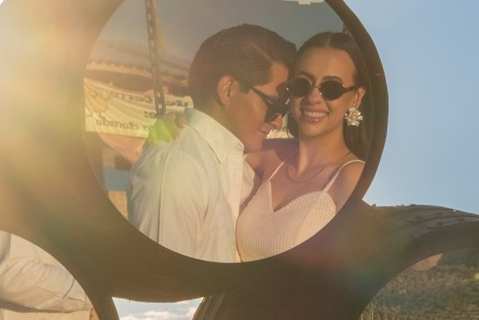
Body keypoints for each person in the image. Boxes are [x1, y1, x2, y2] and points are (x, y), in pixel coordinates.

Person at [126, 24, 294, 262]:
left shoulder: (242, 165)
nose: (278, 122)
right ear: (227, 89)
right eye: (274, 106)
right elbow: (168, 290)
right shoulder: (177, 166)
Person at [238, 31, 374, 260]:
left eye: (331, 88)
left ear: (356, 98)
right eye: (302, 84)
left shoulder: (351, 176)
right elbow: (216, 148)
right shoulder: (273, 154)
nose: (313, 97)